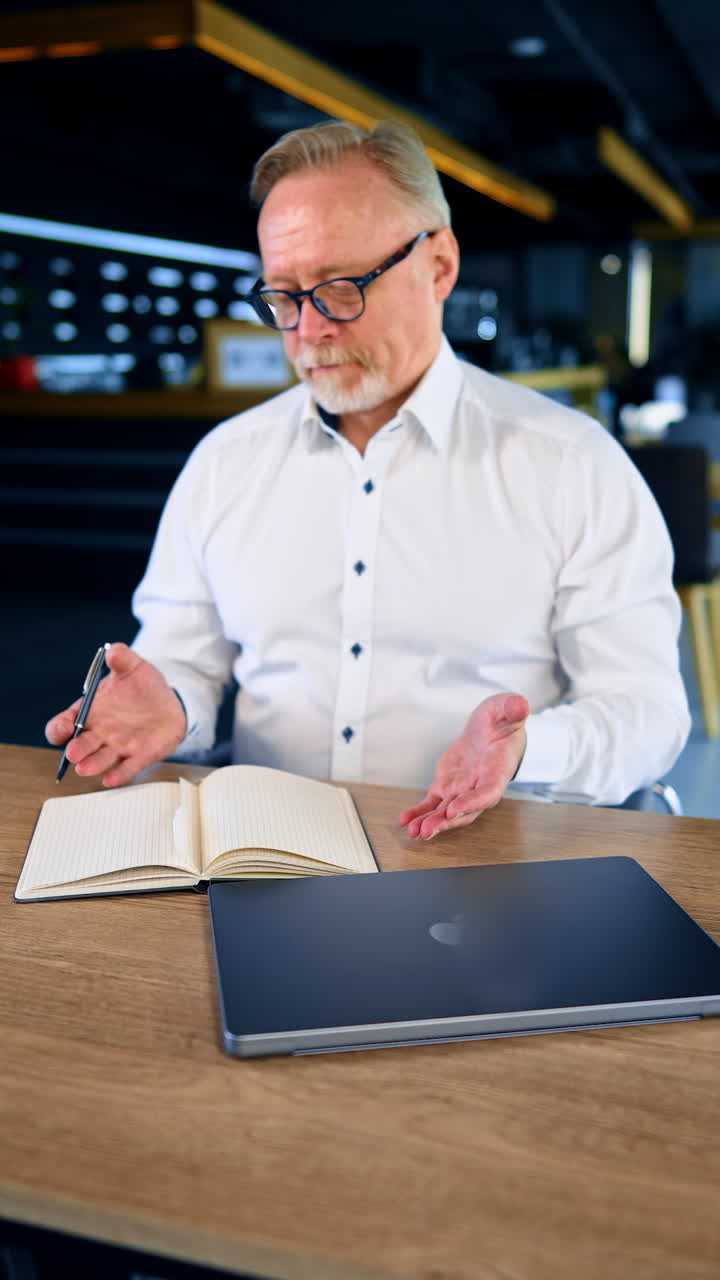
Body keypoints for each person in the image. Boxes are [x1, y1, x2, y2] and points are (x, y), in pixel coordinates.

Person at [46, 120, 690, 838]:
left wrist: (528, 750)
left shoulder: (571, 463)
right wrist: (170, 701)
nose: (309, 330)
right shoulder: (225, 462)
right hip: (267, 854)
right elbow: (183, 659)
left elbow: (646, 710)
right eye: (283, 296)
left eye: (341, 288)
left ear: (439, 265)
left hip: (490, 862)